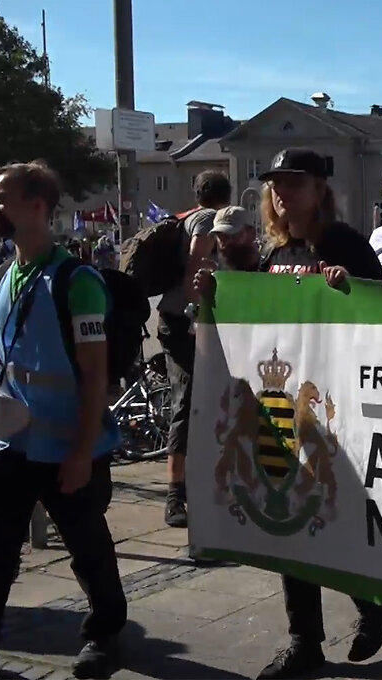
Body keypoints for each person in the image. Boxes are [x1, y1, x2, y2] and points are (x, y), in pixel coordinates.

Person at [219, 148, 382, 680]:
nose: (282, 191)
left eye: (294, 182)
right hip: (282, 410)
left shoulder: (341, 243)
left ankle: (370, 598)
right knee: (288, 521)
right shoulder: (276, 252)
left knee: (331, 515)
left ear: (320, 189)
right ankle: (304, 641)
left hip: (334, 407)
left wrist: (351, 289)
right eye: (275, 183)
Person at [0, 161, 126, 680]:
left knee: (86, 545)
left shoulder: (78, 282)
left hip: (66, 448)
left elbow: (95, 376)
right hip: (8, 441)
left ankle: (105, 629)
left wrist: (80, 453)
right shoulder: (8, 274)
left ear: (37, 206)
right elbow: (6, 355)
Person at [161, 171, 228, 529]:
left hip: (176, 318)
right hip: (183, 320)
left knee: (197, 400)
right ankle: (175, 494)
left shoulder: (184, 215)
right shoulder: (204, 219)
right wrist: (194, 312)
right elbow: (195, 262)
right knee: (185, 402)